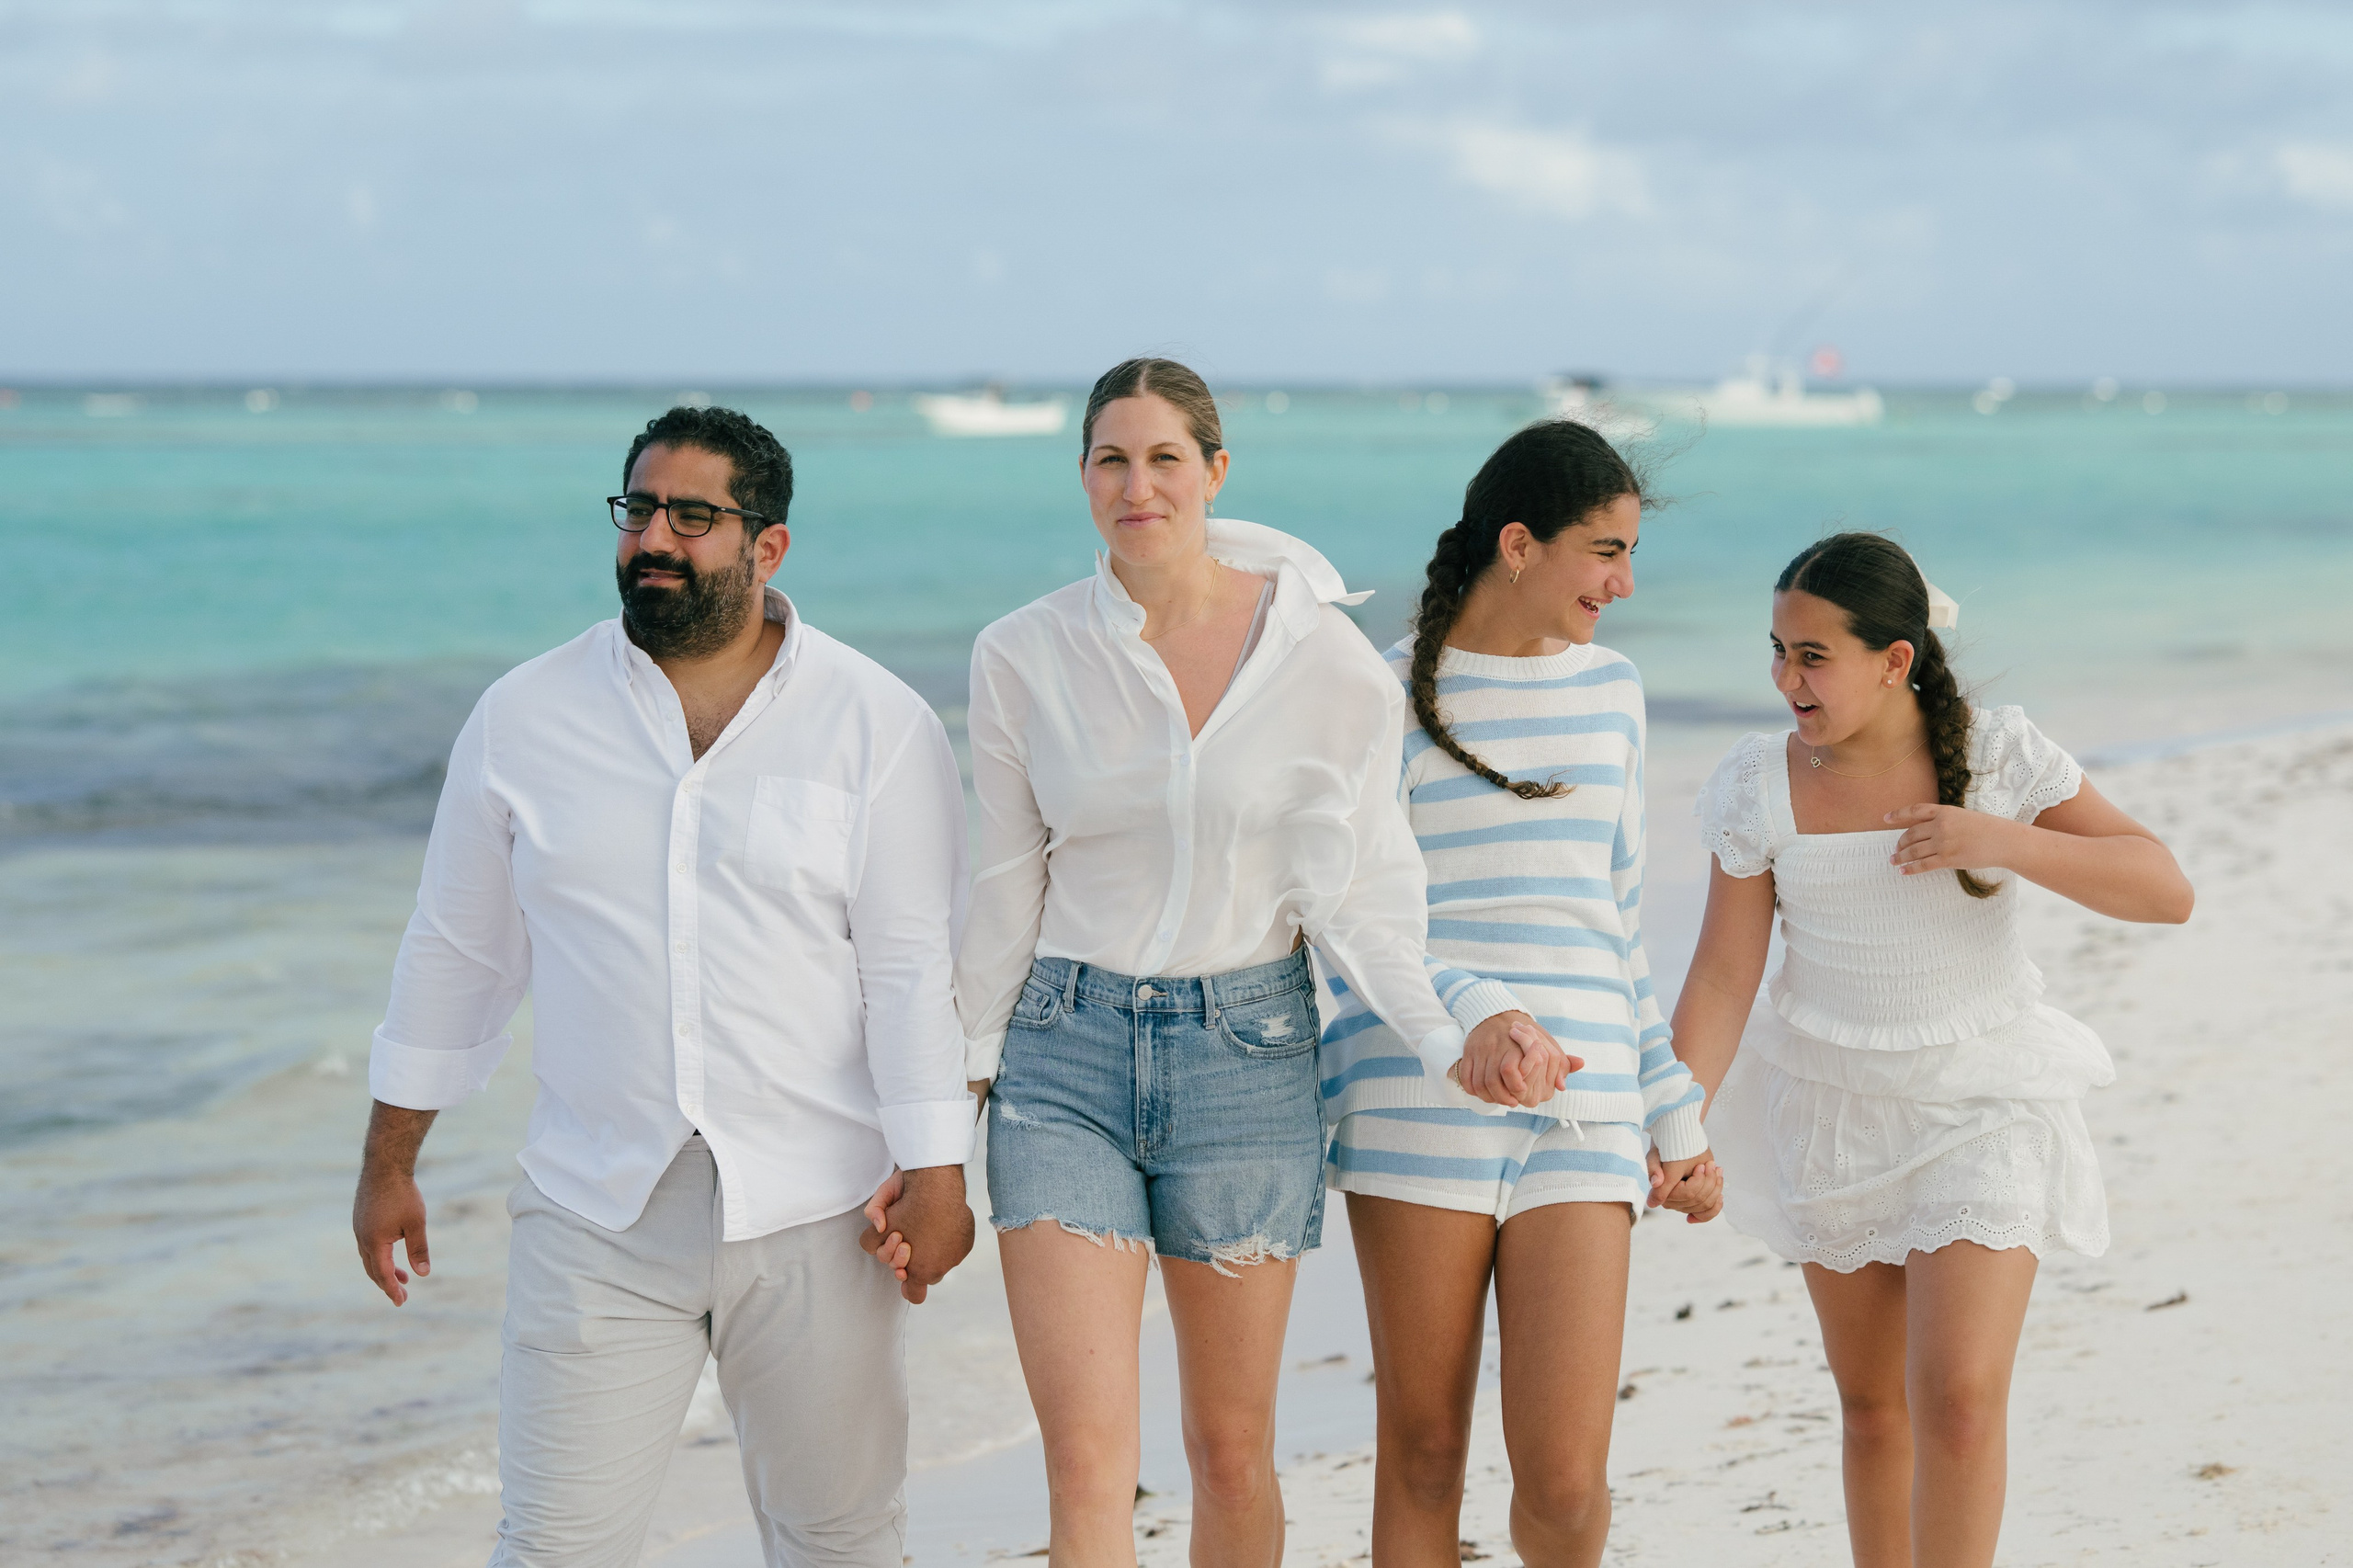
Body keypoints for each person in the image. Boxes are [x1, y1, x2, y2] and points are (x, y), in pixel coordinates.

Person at [923, 358, 1571, 1568]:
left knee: (1228, 1453)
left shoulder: (1324, 663)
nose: (1138, 486)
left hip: (1247, 1056)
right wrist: (938, 1119)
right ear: (1083, 476)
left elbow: (1365, 895)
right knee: (1086, 1466)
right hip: (1060, 1056)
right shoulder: (1022, 653)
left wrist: (1449, 1035)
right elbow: (1004, 892)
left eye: (1165, 458)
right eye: (1112, 459)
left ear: (1215, 471)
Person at [351, 404, 978, 1567]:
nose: (654, 538)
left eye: (693, 516)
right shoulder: (523, 717)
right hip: (594, 1204)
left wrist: (938, 1171)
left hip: (818, 1207)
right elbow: (457, 953)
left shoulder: (876, 722)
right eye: (638, 509)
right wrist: (390, 1161)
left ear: (766, 544)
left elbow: (909, 968)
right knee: (553, 1547)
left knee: (840, 1539)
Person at [1672, 532, 2193, 1568]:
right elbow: (1725, 977)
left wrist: (2001, 839)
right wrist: (1677, 1119)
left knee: (1956, 1400)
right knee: (1874, 1412)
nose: (1786, 678)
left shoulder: (1996, 753)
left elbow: (2164, 888)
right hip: (1833, 1110)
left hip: (1984, 1099)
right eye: (1776, 650)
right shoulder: (1756, 783)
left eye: (1812, 655)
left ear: (1894, 659)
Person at [1317, 420, 1723, 1568]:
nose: (1623, 582)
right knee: (1422, 1451)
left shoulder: (1613, 690)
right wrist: (1480, 1007)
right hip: (1417, 1093)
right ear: (1517, 544)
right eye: (1604, 551)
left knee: (1565, 1477)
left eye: (1630, 553)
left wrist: (1675, 1112)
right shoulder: (1377, 691)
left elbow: (1616, 923)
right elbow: (1350, 921)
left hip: (1586, 1107)